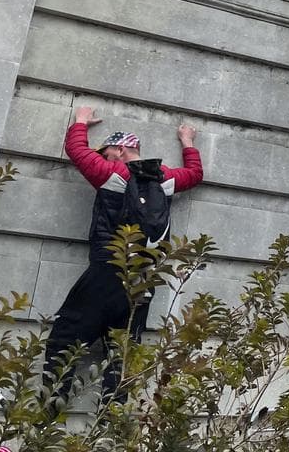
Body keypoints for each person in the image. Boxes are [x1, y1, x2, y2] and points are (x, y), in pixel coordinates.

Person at [43, 106, 204, 403]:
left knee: (64, 339)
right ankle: (111, 424)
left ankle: (47, 416)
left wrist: (80, 121)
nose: (103, 157)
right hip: (144, 279)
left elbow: (76, 150)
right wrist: (187, 141)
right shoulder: (164, 179)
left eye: (107, 152)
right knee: (122, 351)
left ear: (120, 149)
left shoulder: (110, 172)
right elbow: (195, 174)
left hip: (108, 269)